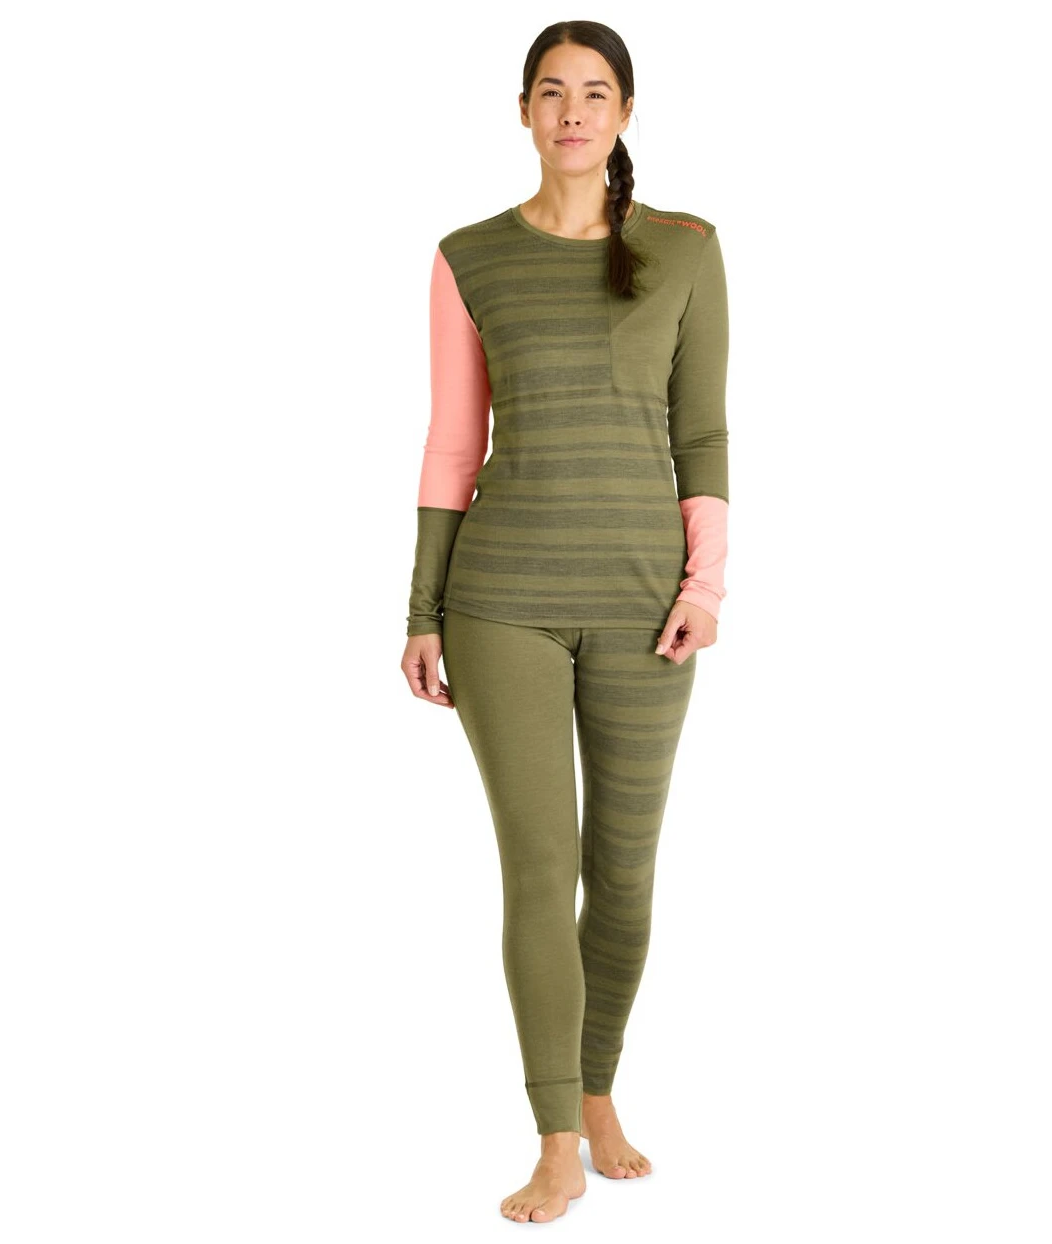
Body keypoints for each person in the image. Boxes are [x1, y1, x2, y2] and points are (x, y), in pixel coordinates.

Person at [399, 20, 729, 1226]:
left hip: (647, 606)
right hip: (502, 604)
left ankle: (598, 1092)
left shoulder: (685, 250)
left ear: (624, 113)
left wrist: (702, 587)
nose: (572, 112)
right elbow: (452, 442)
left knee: (622, 874)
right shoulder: (468, 256)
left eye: (594, 93)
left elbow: (702, 430)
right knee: (539, 868)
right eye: (551, 92)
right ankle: (553, 1139)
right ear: (523, 111)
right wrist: (423, 607)